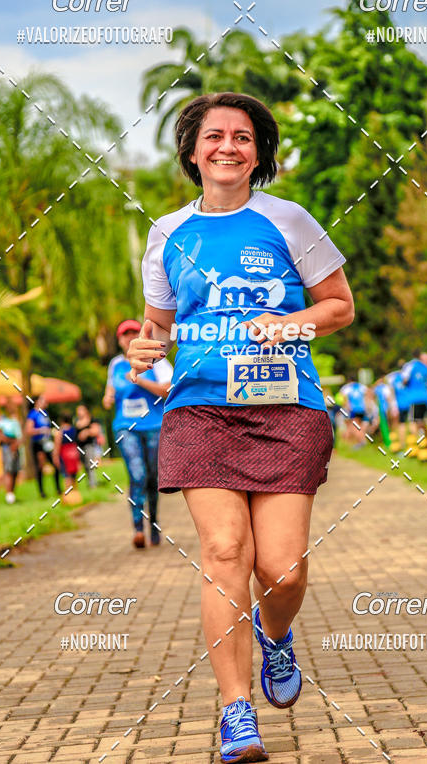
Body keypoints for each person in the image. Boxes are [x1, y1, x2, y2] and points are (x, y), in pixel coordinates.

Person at [127, 92, 354, 763]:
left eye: (244, 137)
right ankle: (235, 709)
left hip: (287, 410)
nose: (229, 147)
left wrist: (289, 324)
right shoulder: (166, 232)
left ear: (259, 153)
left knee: (282, 572)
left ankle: (275, 637)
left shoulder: (287, 220)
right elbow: (157, 328)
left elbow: (339, 306)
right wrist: (145, 349)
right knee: (226, 551)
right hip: (200, 408)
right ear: (193, 152)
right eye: (215, 136)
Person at [103, 320, 173, 549]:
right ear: (120, 339)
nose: (129, 337)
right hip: (125, 427)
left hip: (154, 426)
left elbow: (167, 390)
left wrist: (139, 379)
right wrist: (108, 399)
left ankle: (153, 523)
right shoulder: (115, 364)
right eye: (125, 334)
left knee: (153, 478)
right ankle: (137, 528)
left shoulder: (158, 358)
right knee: (137, 474)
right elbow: (110, 393)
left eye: (133, 332)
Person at [25, 394, 61, 498]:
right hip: (38, 444)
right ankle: (42, 492)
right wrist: (41, 430)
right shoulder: (33, 414)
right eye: (42, 400)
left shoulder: (45, 413)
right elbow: (29, 430)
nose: (45, 401)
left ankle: (58, 489)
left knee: (55, 464)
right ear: (37, 402)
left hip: (47, 442)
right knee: (40, 467)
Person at [401, 352, 427, 450]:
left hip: (413, 398)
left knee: (413, 422)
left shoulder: (409, 366)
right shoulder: (425, 367)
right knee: (423, 421)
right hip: (424, 397)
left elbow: (404, 380)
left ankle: (416, 445)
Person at [0, 401, 23, 504]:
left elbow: (20, 435)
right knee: (9, 471)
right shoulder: (2, 420)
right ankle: (9, 495)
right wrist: (12, 443)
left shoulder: (15, 420)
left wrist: (17, 444)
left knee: (15, 471)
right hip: (8, 448)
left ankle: (13, 494)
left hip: (16, 447)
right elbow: (0, 435)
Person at [53, 411, 82, 504]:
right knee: (74, 476)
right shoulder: (73, 430)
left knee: (67, 476)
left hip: (64, 454)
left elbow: (57, 446)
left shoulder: (60, 431)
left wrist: (55, 457)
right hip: (73, 453)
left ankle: (69, 498)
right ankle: (75, 496)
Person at [74, 403, 104, 488]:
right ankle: (90, 483)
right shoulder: (76, 422)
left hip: (89, 446)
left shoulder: (92, 420)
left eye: (80, 410)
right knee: (85, 466)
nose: (79, 412)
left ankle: (92, 484)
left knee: (90, 465)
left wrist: (86, 432)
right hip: (80, 447)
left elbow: (96, 431)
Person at [339, 380, 368, 447]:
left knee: (354, 426)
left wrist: (346, 406)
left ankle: (362, 441)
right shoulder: (361, 386)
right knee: (359, 425)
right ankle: (360, 441)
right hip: (362, 409)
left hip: (353, 409)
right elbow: (368, 393)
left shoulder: (347, 387)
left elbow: (343, 397)